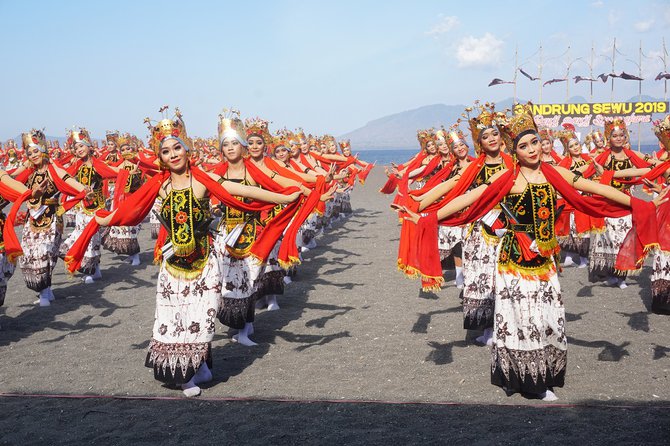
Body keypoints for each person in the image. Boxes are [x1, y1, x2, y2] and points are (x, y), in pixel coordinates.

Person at [401, 105, 667, 401]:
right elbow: (469, 196)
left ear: (542, 142)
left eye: (534, 142)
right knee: (522, 318)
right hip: (514, 260)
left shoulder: (556, 173)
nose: (531, 149)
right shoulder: (509, 179)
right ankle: (528, 382)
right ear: (513, 151)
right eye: (523, 145)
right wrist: (427, 216)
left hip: (545, 261)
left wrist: (640, 205)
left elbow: (595, 190)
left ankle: (543, 376)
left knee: (549, 318)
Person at [77, 109, 300, 397]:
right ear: (161, 157)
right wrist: (105, 218)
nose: (172, 154)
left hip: (205, 260)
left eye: (177, 147)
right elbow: (133, 207)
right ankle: (186, 375)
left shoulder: (202, 181)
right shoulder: (160, 186)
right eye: (166, 151)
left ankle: (199, 365)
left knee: (203, 315)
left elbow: (235, 189)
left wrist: (284, 197)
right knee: (174, 318)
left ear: (187, 149)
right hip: (172, 266)